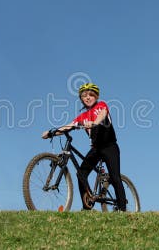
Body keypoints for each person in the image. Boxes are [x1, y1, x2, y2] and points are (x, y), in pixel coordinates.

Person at [42, 82, 127, 211]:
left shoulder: (101, 105)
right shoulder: (82, 116)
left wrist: (94, 123)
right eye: (84, 96)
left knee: (115, 177)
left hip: (110, 146)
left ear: (96, 96)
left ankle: (122, 209)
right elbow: (69, 126)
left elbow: (102, 114)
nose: (87, 97)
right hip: (96, 149)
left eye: (91, 95)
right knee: (81, 173)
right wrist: (52, 132)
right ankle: (86, 207)